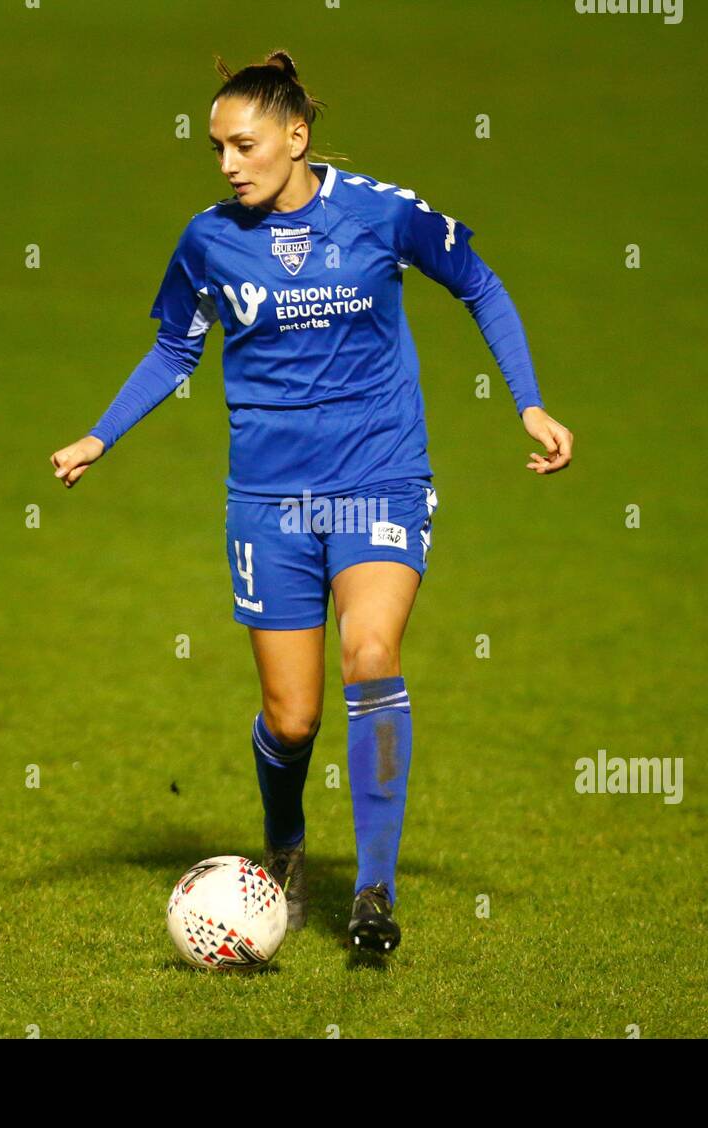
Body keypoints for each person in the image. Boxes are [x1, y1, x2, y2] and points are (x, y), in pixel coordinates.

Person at [49, 49, 573, 955]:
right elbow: (177, 349)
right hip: (267, 496)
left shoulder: (381, 212)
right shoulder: (207, 239)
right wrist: (101, 435)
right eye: (216, 148)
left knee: (372, 651)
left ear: (297, 137)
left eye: (244, 144)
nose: (228, 164)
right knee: (292, 718)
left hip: (380, 476)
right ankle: (285, 843)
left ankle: (372, 890)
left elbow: (479, 284)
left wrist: (528, 400)